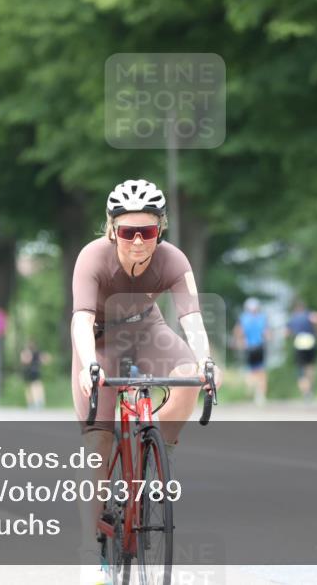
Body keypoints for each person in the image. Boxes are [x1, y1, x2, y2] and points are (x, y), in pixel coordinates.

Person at [71, 178, 222, 585]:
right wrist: (88, 364)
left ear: (161, 229)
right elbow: (81, 319)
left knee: (190, 376)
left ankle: (160, 448)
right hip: (101, 341)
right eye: (127, 232)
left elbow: (190, 316)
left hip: (147, 331)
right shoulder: (93, 258)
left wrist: (206, 361)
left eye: (148, 232)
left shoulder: (173, 260)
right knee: (98, 445)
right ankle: (90, 551)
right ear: (111, 229)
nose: (138, 241)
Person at [234, 297, 271, 406]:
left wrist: (240, 342)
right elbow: (267, 333)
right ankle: (260, 395)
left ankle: (252, 390)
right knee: (261, 371)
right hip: (260, 347)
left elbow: (238, 332)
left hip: (249, 347)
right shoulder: (262, 318)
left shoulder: (243, 318)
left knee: (250, 371)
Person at [286, 298, 317, 399]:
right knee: (310, 367)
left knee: (300, 370)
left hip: (299, 343)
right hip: (310, 341)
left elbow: (287, 332)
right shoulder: (309, 314)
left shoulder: (293, 318)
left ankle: (306, 392)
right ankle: (310, 388)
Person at [20, 340, 47, 410]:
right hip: (28, 372)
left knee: (36, 387)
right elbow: (24, 360)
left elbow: (44, 359)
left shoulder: (36, 353)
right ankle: (32, 403)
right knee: (30, 388)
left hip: (34, 372)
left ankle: (37, 402)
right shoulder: (26, 352)